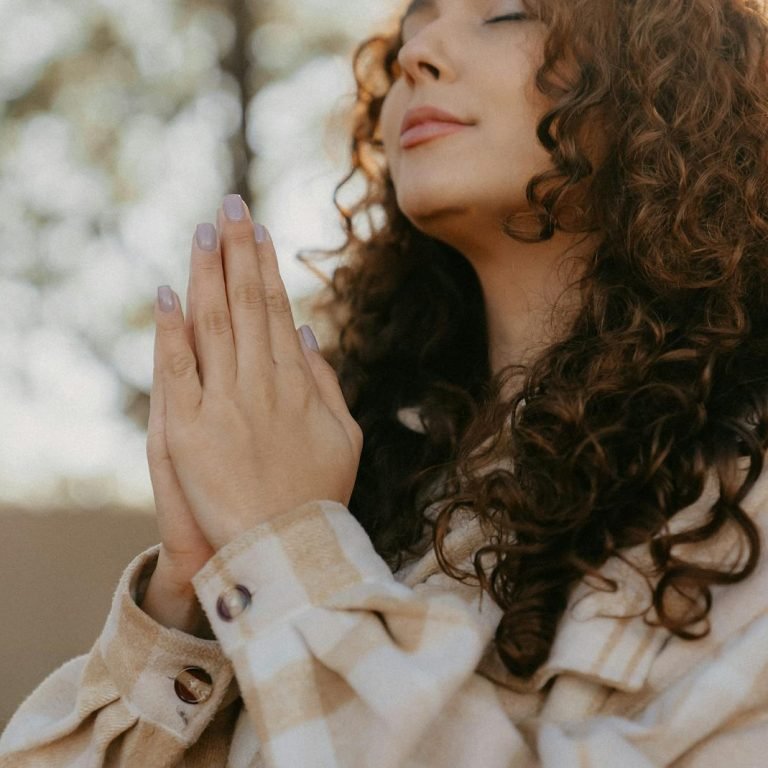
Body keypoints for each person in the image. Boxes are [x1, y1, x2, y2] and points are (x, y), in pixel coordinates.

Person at [2, 0, 768, 764]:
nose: (418, 52)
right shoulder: (368, 471)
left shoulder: (742, 499)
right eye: (415, 22)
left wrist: (288, 551)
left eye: (504, 12)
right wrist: (194, 597)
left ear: (667, 75)